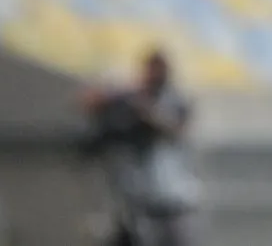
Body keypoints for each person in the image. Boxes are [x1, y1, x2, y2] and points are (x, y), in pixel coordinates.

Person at [80, 50, 199, 246]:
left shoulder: (174, 101)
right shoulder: (132, 101)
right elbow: (91, 102)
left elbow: (174, 129)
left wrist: (147, 112)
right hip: (140, 196)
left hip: (173, 197)